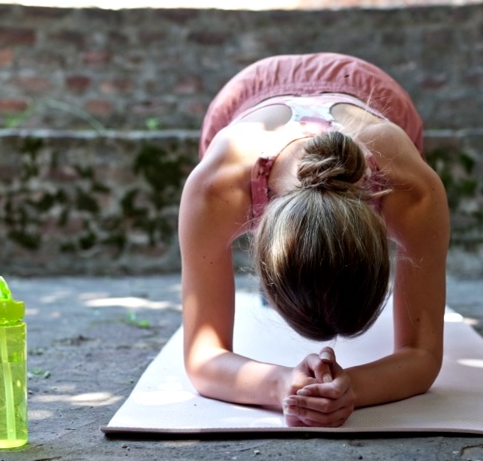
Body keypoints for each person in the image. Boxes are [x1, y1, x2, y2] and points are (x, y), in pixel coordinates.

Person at [178, 52, 450, 427]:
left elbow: (422, 353)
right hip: (247, 97)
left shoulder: (410, 187)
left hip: (374, 95)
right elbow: (201, 357)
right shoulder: (216, 186)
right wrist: (280, 385)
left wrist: (352, 387)